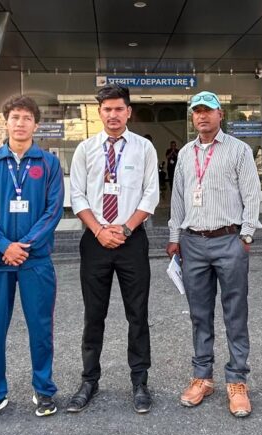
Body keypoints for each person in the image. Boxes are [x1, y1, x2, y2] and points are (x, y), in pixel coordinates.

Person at [166, 90, 261, 418]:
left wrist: (246, 235)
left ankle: (237, 380)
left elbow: (252, 193)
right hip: (193, 243)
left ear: (221, 114)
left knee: (235, 312)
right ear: (193, 117)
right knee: (199, 314)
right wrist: (174, 237)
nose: (202, 116)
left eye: (208, 110)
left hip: (228, 240)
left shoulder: (238, 150)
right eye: (197, 111)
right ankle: (202, 377)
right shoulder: (185, 154)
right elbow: (178, 198)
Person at [0, 95, 64, 424]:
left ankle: (44, 389)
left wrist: (24, 245)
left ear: (36, 125)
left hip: (35, 261)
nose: (20, 123)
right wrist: (3, 246)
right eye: (15, 117)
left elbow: (53, 210)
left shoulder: (48, 164)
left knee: (41, 328)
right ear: (6, 122)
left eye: (27, 118)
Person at [67, 84, 159, 414]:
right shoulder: (85, 149)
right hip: (95, 241)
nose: (113, 114)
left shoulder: (144, 148)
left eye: (119, 108)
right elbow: (77, 195)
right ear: (99, 112)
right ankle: (89, 380)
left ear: (129, 112)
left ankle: (140, 382)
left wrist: (125, 228)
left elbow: (151, 194)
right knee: (94, 314)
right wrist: (99, 230)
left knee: (138, 314)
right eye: (107, 109)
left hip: (131, 240)